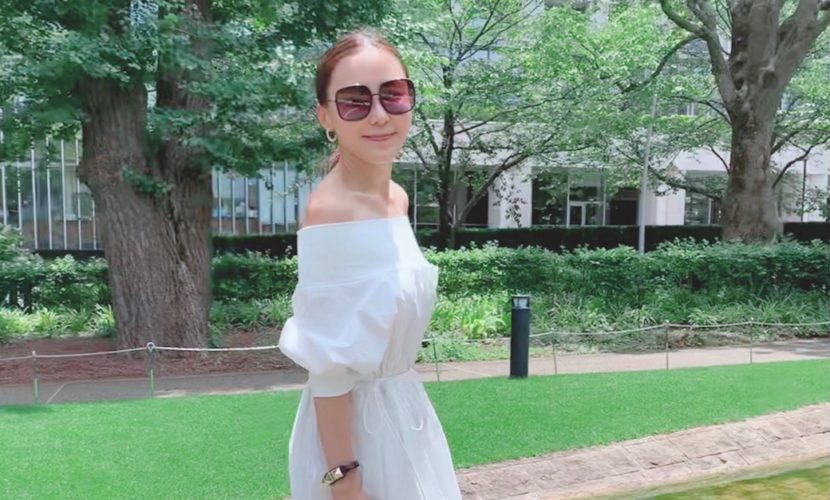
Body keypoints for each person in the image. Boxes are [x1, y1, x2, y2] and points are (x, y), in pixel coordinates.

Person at [277, 29, 463, 500]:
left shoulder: (396, 198)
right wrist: (345, 481)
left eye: (393, 95)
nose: (380, 115)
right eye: (355, 102)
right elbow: (329, 368)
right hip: (357, 441)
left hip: (406, 413)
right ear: (325, 116)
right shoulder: (332, 211)